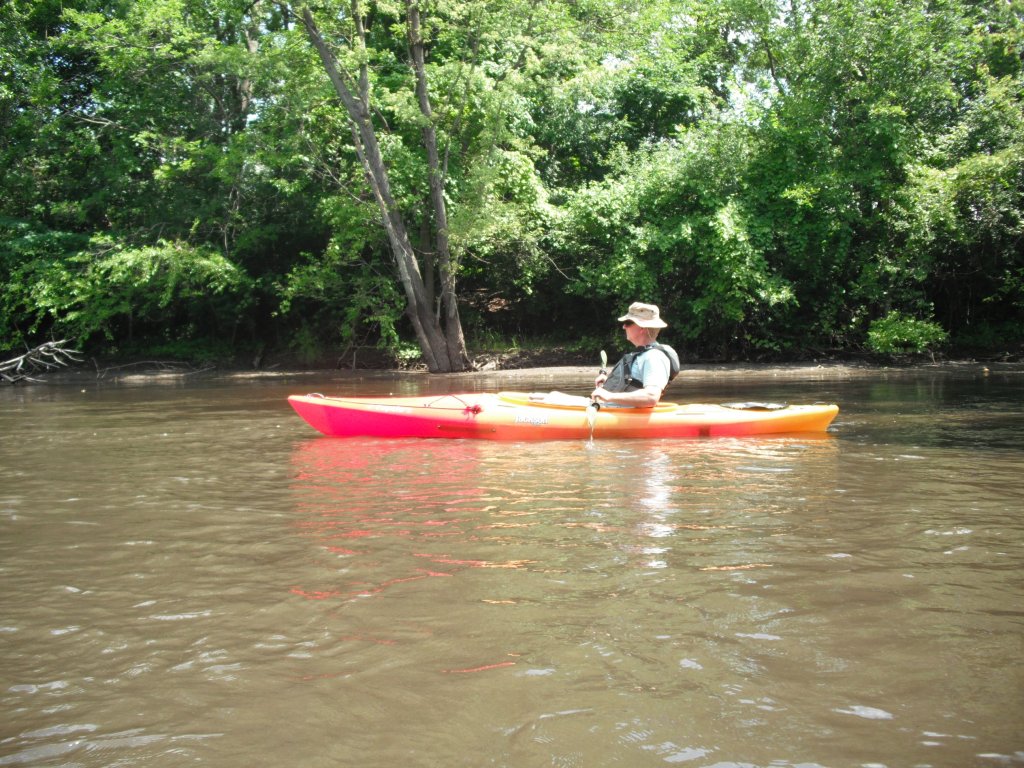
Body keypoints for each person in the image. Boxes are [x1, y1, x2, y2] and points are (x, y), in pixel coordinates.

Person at [591, 302, 679, 408]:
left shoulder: (654, 357)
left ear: (642, 327)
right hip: (611, 409)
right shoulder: (644, 354)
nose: (624, 327)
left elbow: (651, 397)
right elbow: (633, 382)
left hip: (622, 415)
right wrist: (611, 382)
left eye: (628, 322)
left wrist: (609, 396)